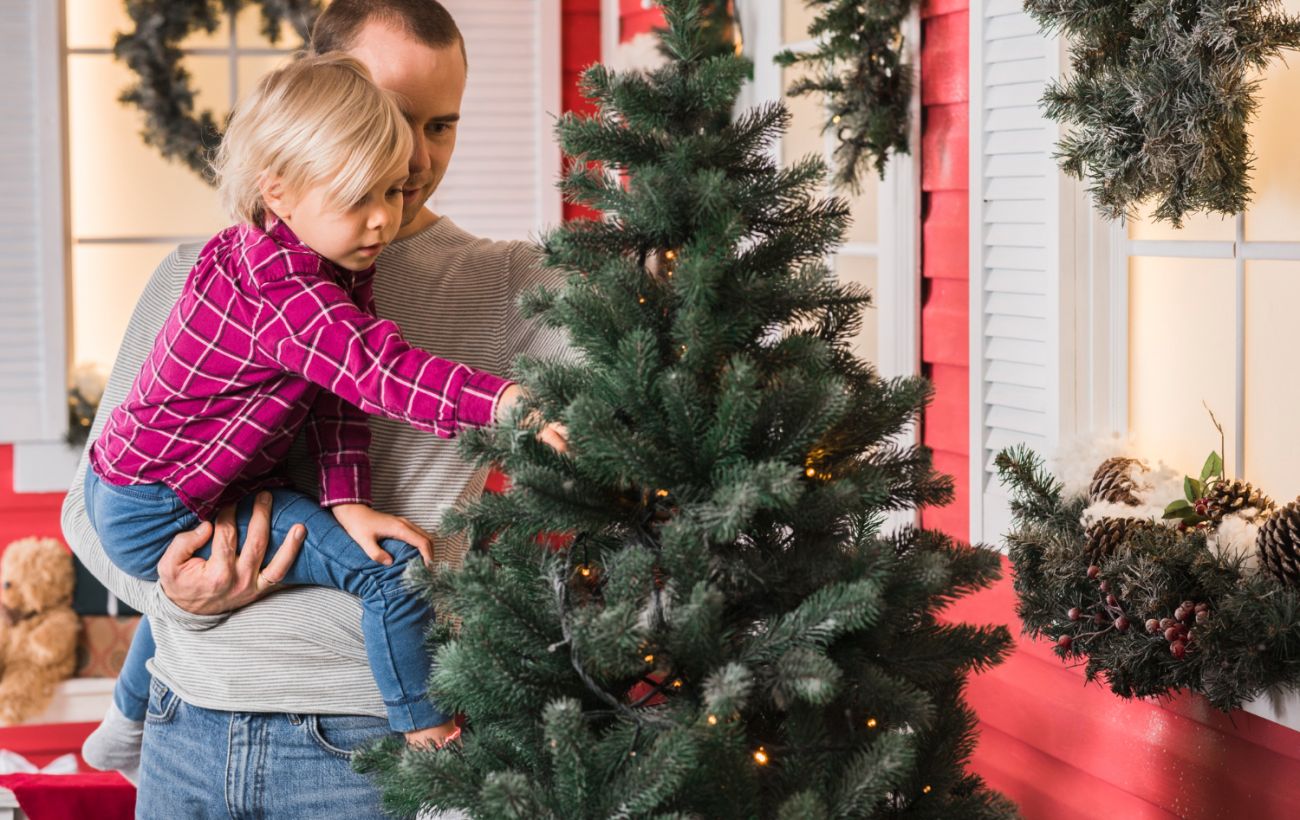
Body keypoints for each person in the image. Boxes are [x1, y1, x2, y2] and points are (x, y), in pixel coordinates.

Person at [61, 1, 570, 816]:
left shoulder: (505, 280)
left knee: (385, 568)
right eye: (389, 116)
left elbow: (645, 364)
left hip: (361, 750)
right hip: (185, 726)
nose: (412, 158)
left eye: (440, 126)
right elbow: (89, 508)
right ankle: (127, 717)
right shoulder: (208, 269)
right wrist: (177, 595)